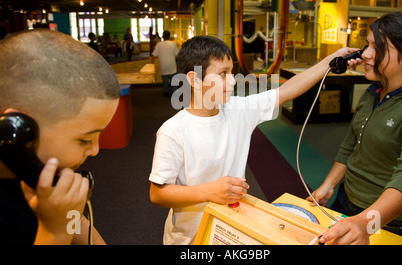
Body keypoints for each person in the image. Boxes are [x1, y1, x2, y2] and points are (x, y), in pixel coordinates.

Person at [149, 35, 360, 244]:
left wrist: (331, 60)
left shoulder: (238, 109)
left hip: (230, 230)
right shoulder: (173, 131)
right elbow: (158, 194)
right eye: (223, 74)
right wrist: (208, 192)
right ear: (194, 79)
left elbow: (287, 90)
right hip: (189, 237)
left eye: (232, 72)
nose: (233, 81)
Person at [307, 12, 402, 245]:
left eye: (378, 47)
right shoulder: (373, 91)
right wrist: (329, 185)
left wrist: (366, 223)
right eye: (368, 45)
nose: (365, 54)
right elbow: (350, 146)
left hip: (388, 219)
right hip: (347, 200)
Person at [0, 29, 121, 244]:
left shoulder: (40, 183)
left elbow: (79, 229)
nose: (95, 150)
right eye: (85, 139)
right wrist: (53, 232)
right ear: (16, 130)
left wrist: (69, 217)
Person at [151, 30, 179, 96]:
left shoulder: (159, 44)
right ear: (169, 36)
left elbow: (154, 55)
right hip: (172, 65)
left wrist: (151, 63)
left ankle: (166, 92)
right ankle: (174, 92)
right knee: (174, 80)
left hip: (163, 66)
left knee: (165, 81)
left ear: (163, 36)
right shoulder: (173, 44)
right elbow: (177, 55)